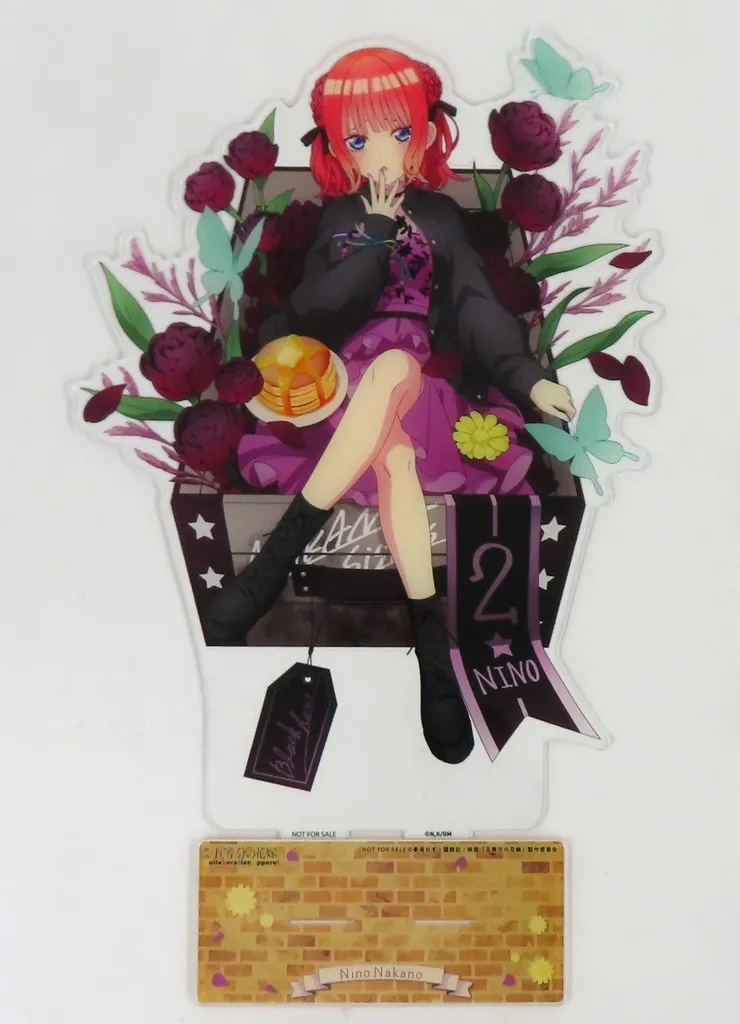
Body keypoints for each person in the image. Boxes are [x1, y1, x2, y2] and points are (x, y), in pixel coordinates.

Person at [203, 46, 575, 765]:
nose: (381, 152)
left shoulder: (439, 215)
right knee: (394, 451)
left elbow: (474, 304)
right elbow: (320, 310)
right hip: (341, 394)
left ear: (427, 133)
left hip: (420, 384)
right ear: (336, 147)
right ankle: (433, 648)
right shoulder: (342, 218)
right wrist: (372, 234)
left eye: (399, 132)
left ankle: (276, 560)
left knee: (400, 380)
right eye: (360, 138)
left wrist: (525, 376)